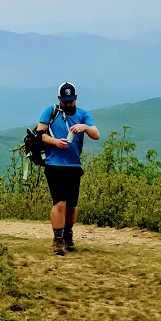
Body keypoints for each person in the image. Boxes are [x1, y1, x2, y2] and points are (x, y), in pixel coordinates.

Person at [36, 82, 100, 256]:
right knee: (60, 202)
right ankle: (57, 240)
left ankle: (68, 234)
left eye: (71, 100)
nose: (69, 104)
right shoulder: (51, 111)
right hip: (54, 164)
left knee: (72, 205)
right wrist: (55, 142)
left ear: (76, 98)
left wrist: (85, 127)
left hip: (73, 165)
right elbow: (39, 134)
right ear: (59, 99)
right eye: (65, 101)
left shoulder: (83, 115)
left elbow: (96, 135)